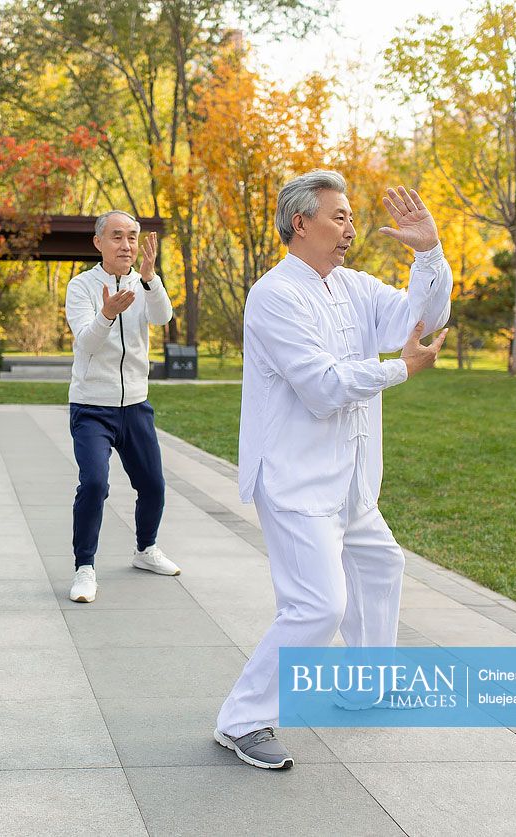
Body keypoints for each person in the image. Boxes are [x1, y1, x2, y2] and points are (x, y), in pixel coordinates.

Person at [214, 171, 452, 768]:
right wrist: (400, 371)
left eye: (349, 217)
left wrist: (429, 253)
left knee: (380, 565)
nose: (350, 228)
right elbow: (322, 387)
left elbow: (419, 320)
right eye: (339, 217)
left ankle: (366, 686)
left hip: (350, 478)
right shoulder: (274, 295)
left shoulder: (353, 287)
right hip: (296, 479)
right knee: (317, 606)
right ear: (301, 223)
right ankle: (243, 721)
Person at [64, 210, 178, 604]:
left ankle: (146, 550)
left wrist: (150, 279)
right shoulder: (81, 287)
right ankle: (85, 568)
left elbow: (163, 318)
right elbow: (86, 344)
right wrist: (107, 313)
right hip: (92, 406)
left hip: (136, 405)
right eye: (117, 237)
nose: (126, 244)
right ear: (98, 243)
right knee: (94, 483)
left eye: (132, 236)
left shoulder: (143, 283)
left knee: (153, 486)